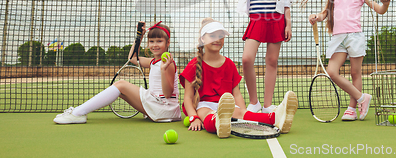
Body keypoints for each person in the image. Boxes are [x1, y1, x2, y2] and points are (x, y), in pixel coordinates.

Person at [302, 0, 391, 121]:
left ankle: (351, 109)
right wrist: (316, 16)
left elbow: (379, 10)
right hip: (338, 39)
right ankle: (362, 98)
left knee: (355, 73)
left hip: (354, 37)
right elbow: (324, 14)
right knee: (331, 72)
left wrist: (385, 4)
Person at [180, 18, 297, 138]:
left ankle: (276, 117)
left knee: (241, 113)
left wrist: (244, 113)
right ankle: (218, 123)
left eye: (221, 36)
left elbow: (236, 95)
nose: (218, 39)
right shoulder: (193, 65)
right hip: (204, 105)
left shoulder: (229, 64)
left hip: (226, 106)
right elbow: (188, 98)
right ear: (203, 39)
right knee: (207, 114)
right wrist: (193, 117)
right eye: (212, 35)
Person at [53, 21, 181, 124]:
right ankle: (78, 112)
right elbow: (132, 58)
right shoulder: (154, 61)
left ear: (167, 43)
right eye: (151, 41)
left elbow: (168, 94)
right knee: (120, 92)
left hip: (164, 108)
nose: (155, 45)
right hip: (159, 107)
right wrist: (139, 37)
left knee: (120, 84)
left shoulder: (167, 63)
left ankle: (77, 113)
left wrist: (164, 70)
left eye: (159, 41)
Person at [234, 0, 292, 113]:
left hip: (277, 19)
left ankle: (267, 106)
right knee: (247, 59)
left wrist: (288, 23)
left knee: (272, 61)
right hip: (257, 19)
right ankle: (254, 103)